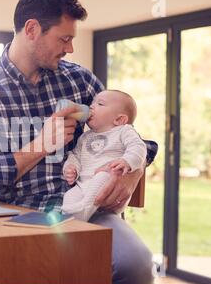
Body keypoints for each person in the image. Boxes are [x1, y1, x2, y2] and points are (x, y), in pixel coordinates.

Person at [0, 0, 158, 284]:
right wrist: (40, 146)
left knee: (137, 266)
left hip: (89, 211)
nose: (70, 49)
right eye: (64, 39)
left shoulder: (80, 80)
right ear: (32, 29)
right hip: (20, 216)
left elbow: (133, 138)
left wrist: (133, 172)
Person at [62, 90, 147, 222]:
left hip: (109, 184)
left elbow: (139, 147)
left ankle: (81, 213)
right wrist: (71, 166)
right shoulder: (85, 137)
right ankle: (68, 215)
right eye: (92, 103)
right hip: (83, 184)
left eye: (100, 104)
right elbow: (75, 155)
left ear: (119, 119)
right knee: (70, 195)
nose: (91, 107)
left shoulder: (123, 131)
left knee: (102, 177)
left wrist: (127, 162)